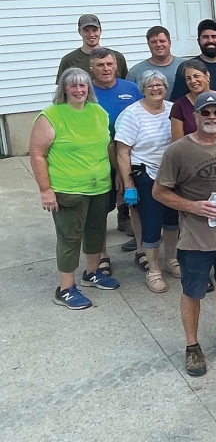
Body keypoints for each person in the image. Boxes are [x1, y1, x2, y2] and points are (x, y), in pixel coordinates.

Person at [153, 92, 216, 377]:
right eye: (205, 113)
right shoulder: (178, 151)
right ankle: (192, 346)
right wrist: (192, 206)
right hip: (195, 239)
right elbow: (159, 191)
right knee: (193, 292)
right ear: (194, 116)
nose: (212, 118)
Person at [29, 68, 120, 310]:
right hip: (67, 189)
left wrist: (119, 174)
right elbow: (38, 155)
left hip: (99, 186)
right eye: (73, 86)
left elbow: (108, 145)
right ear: (64, 89)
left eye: (83, 85)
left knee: (96, 231)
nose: (79, 90)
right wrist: (45, 190)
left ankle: (92, 274)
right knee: (70, 237)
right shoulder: (51, 116)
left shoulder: (98, 112)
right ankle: (66, 289)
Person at [115, 70, 179, 292]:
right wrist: (129, 185)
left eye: (159, 84)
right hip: (146, 175)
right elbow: (122, 152)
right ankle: (153, 270)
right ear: (142, 89)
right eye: (150, 85)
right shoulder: (132, 114)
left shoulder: (173, 110)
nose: (155, 88)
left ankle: (171, 260)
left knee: (173, 222)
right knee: (151, 225)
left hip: (172, 175)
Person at [91, 47, 142, 253]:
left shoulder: (131, 88)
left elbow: (142, 114)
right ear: (91, 68)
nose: (106, 69)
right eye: (100, 65)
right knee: (100, 209)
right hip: (98, 157)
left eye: (110, 64)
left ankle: (141, 249)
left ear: (116, 66)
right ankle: (100, 255)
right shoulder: (86, 91)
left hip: (129, 154)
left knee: (134, 202)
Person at [170, 58, 216, 139]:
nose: (193, 81)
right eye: (188, 78)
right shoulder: (179, 106)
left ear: (207, 76)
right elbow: (178, 142)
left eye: (196, 76)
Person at [56, 13, 128, 81]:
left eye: (95, 30)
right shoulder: (69, 60)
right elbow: (62, 90)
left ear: (100, 31)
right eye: (86, 30)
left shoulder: (117, 57)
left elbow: (125, 85)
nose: (91, 34)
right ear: (79, 31)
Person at [127, 26, 183, 98]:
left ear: (169, 43)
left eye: (162, 41)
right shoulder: (135, 72)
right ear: (148, 44)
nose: (158, 45)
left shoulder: (185, 66)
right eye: (154, 42)